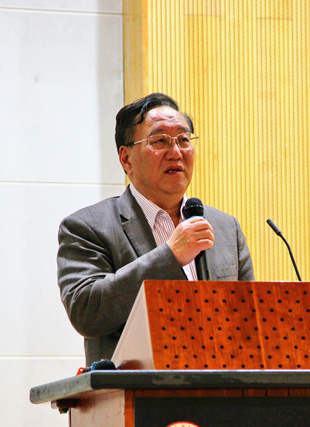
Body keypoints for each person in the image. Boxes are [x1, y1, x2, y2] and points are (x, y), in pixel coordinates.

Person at [57, 93, 255, 365]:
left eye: (183, 140)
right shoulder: (88, 226)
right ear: (126, 159)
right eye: (159, 141)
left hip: (221, 385)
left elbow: (248, 319)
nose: (176, 152)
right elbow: (86, 312)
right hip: (137, 388)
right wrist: (169, 257)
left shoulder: (225, 227)